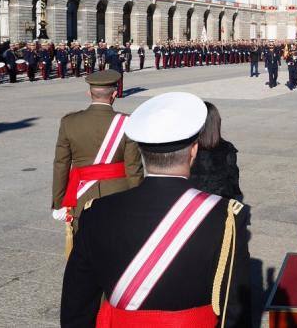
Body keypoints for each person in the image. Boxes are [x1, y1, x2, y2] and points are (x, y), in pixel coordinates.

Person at [60, 92, 251, 327]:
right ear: (193, 151)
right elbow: (235, 310)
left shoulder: (96, 213)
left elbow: (76, 308)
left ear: (141, 152)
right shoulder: (224, 217)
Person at [51, 70, 143, 238]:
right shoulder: (127, 122)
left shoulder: (69, 122)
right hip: (118, 195)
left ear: (89, 93)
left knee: (84, 244)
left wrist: (59, 203)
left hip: (82, 196)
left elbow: (61, 165)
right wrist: (138, 201)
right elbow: (133, 168)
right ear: (114, 94)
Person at [190, 101, 243, 201]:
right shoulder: (227, 148)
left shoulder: (187, 148)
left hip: (191, 203)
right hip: (219, 202)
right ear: (216, 123)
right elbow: (233, 180)